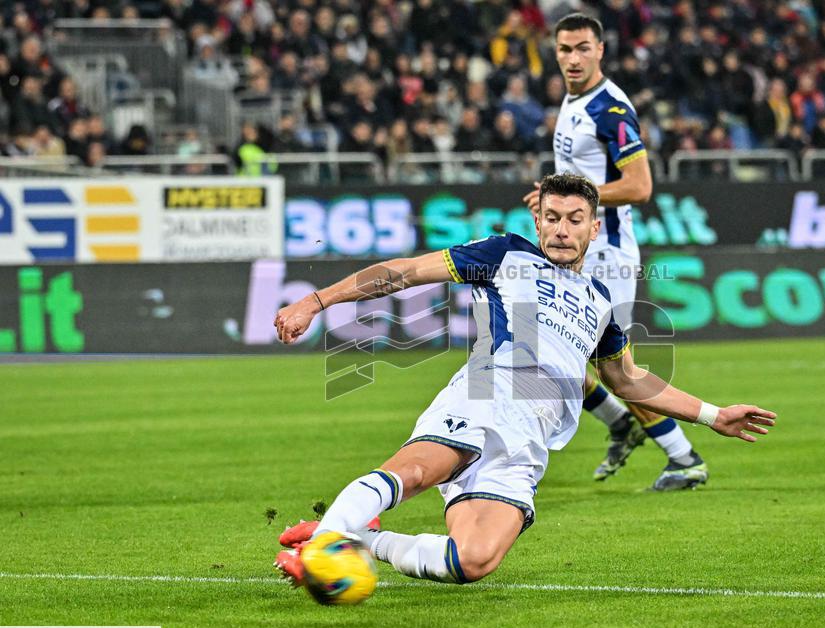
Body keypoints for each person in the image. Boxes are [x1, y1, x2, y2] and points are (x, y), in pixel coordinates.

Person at [272, 174, 776, 587]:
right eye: (552, 218)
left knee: (474, 561)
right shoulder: (505, 254)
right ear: (537, 221)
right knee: (416, 474)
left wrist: (713, 415)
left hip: (529, 441)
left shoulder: (600, 301)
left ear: (594, 229)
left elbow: (629, 380)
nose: (561, 229)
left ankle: (358, 538)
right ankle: (320, 551)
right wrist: (317, 301)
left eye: (574, 220)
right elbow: (404, 273)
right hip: (486, 397)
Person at [523, 13, 706, 490]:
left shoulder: (611, 110)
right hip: (578, 248)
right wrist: (553, 199)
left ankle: (683, 457)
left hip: (607, 253)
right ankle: (621, 422)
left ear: (601, 50)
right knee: (539, 345)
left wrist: (572, 201)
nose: (573, 58)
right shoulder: (572, 99)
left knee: (614, 365)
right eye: (565, 49)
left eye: (583, 48)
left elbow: (640, 186)